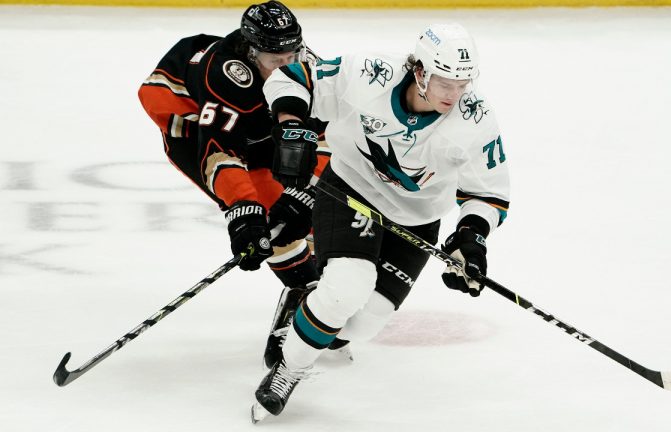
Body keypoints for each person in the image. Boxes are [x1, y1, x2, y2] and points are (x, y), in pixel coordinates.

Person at [252, 23, 510, 420]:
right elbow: (294, 76)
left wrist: (471, 238)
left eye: (463, 83)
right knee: (345, 289)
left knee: (364, 322)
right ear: (420, 70)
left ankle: (304, 305)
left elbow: (487, 192)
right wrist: (291, 123)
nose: (454, 94)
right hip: (352, 188)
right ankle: (290, 368)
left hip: (417, 217)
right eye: (444, 82)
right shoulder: (370, 74)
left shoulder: (475, 120)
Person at [137, 1, 331, 369]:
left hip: (257, 126)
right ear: (251, 51)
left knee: (309, 213)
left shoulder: (304, 68)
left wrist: (309, 192)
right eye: (277, 59)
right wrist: (244, 211)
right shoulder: (227, 77)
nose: (289, 65)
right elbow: (218, 152)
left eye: (294, 53)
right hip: (193, 125)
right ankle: (303, 295)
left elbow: (327, 136)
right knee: (275, 223)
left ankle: (314, 286)